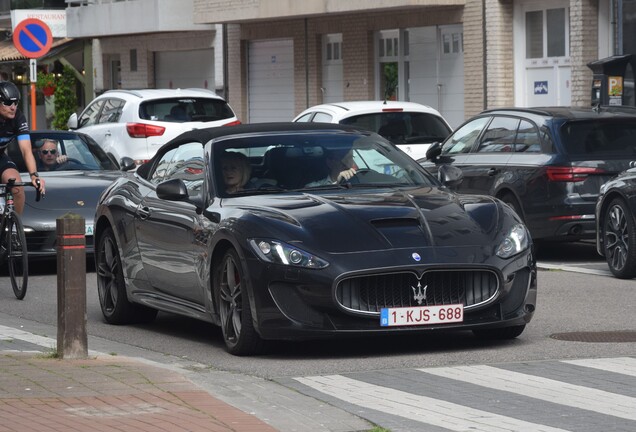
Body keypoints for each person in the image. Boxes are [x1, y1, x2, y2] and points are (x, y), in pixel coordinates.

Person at [0, 81, 45, 214]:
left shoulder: (18, 117)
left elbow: (26, 150)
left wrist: (34, 176)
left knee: (17, 188)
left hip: (1, 156)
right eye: (8, 103)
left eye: (16, 103)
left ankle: (14, 229)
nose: (13, 107)